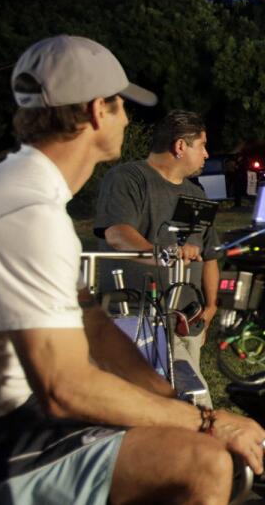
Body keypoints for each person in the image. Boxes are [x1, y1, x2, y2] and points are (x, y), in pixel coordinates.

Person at [0, 35, 265, 504]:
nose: (128, 118)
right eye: (121, 105)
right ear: (97, 111)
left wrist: (171, 402)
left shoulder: (19, 190)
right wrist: (210, 421)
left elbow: (92, 322)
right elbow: (65, 387)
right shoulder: (26, 212)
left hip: (10, 416)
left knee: (178, 433)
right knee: (203, 462)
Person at [94, 109, 221, 377]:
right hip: (137, 318)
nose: (206, 154)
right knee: (171, 403)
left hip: (187, 319)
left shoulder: (196, 193)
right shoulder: (128, 179)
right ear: (179, 146)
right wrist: (165, 254)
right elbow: (118, 234)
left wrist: (210, 307)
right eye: (202, 146)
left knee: (187, 390)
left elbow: (208, 255)